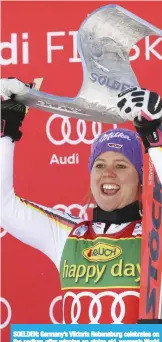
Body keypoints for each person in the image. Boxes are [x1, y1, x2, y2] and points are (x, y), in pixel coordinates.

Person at [1, 78, 162, 324]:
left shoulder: (155, 236)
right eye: (99, 165)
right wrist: (6, 129)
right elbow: (3, 205)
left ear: (140, 180)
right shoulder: (68, 235)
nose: (108, 174)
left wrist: (156, 136)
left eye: (121, 166)